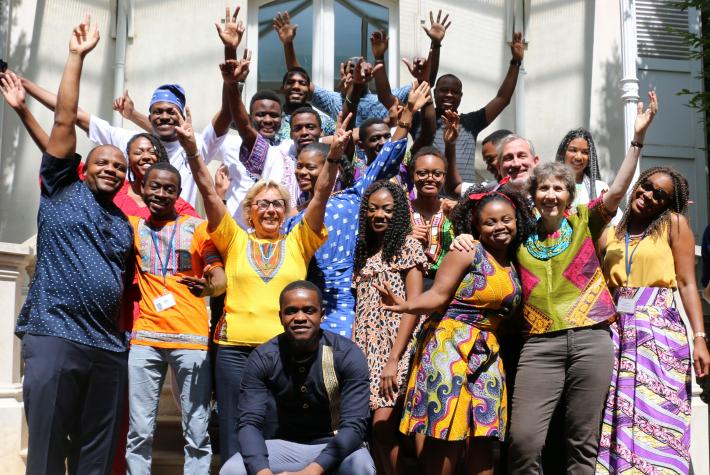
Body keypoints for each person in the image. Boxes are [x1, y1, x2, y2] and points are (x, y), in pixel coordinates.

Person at [179, 99, 351, 462]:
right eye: (263, 204)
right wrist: (193, 150)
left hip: (283, 353)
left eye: (277, 204)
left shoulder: (299, 242)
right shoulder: (233, 238)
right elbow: (209, 193)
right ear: (249, 211)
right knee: (233, 427)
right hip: (234, 352)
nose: (270, 209)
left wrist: (334, 156)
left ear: (287, 211)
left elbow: (320, 194)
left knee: (276, 430)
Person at [506, 91, 659, 474]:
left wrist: (636, 140)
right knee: (524, 442)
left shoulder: (583, 222)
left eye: (559, 188)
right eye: (544, 188)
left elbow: (619, 191)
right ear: (534, 196)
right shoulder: (520, 235)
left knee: (581, 443)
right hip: (539, 346)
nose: (551, 194)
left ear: (570, 194)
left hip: (591, 339)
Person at [15, 16, 134, 474]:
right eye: (102, 161)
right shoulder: (62, 188)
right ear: (84, 167)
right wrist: (76, 57)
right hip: (54, 336)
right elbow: (64, 117)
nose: (112, 169)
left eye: (119, 167)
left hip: (106, 346)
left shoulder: (124, 221)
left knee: (97, 457)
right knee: (45, 450)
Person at [378, 184, 534, 475]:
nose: (499, 227)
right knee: (446, 435)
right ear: (476, 225)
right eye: (489, 222)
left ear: (517, 220)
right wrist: (406, 306)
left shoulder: (513, 260)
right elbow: (437, 295)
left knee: (483, 435)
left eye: (506, 220)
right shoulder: (467, 251)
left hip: (487, 351)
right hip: (450, 346)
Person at [282, 81, 430, 338]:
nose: (302, 172)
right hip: (304, 310)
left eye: (311, 167)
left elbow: (387, 158)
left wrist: (407, 115)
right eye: (300, 166)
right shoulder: (293, 215)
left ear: (333, 167)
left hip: (346, 306)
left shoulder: (352, 198)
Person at [595, 166, 710, 474]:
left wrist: (699, 338)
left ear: (667, 205)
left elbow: (687, 283)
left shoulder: (674, 225)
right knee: (617, 411)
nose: (648, 196)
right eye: (646, 187)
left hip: (659, 328)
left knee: (658, 411)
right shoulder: (612, 231)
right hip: (616, 328)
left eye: (660, 196)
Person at [125, 162, 226, 473]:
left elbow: (219, 276)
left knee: (196, 430)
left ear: (179, 194)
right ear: (142, 189)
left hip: (191, 342)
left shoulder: (196, 228)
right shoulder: (132, 227)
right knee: (139, 431)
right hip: (145, 339)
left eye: (169, 188)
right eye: (155, 186)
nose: (161, 193)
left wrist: (210, 287)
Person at [220, 281, 375, 475]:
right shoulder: (264, 357)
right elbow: (249, 423)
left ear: (322, 314)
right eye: (291, 311)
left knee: (362, 467)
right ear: (280, 316)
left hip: (333, 445)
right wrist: (262, 472)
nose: (300, 317)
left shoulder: (346, 354)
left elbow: (354, 426)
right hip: (281, 446)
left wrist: (311, 472)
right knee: (232, 470)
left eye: (309, 310)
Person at [351, 180, 428, 473]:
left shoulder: (407, 246)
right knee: (378, 431)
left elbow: (415, 305)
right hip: (367, 348)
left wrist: (393, 360)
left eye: (386, 209)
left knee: (386, 424)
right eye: (372, 209)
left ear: (398, 212)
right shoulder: (365, 252)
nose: (378, 215)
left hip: (399, 345)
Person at [410, 32, 524, 184]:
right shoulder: (419, 120)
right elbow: (425, 84)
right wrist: (435, 45)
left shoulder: (470, 123)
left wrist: (516, 62)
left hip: (462, 199)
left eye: (454, 92)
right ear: (434, 92)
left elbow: (502, 99)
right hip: (428, 199)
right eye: (443, 90)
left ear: (461, 96)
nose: (449, 95)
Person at [273, 11, 413, 127]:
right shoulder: (334, 100)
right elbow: (299, 79)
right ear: (342, 73)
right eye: (351, 68)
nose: (355, 71)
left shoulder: (383, 99)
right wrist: (288, 44)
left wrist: (434, 46)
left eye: (359, 67)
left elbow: (424, 84)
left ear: (369, 73)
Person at [408, 146, 455, 287]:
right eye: (422, 173)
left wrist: (457, 219)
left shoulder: (453, 210)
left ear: (444, 177)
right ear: (412, 175)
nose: (430, 179)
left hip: (447, 286)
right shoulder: (402, 211)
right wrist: (406, 238)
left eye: (437, 174)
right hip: (410, 285)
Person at [278, 67, 336, 141]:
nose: (296, 86)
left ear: (309, 91)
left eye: (302, 83)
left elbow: (344, 142)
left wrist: (322, 141)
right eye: (290, 82)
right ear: (282, 89)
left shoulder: (324, 122)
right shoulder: (273, 121)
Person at [555, 127, 609, 207]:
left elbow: (616, 218)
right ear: (563, 153)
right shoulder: (549, 186)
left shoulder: (600, 188)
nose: (579, 157)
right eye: (573, 150)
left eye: (585, 152)